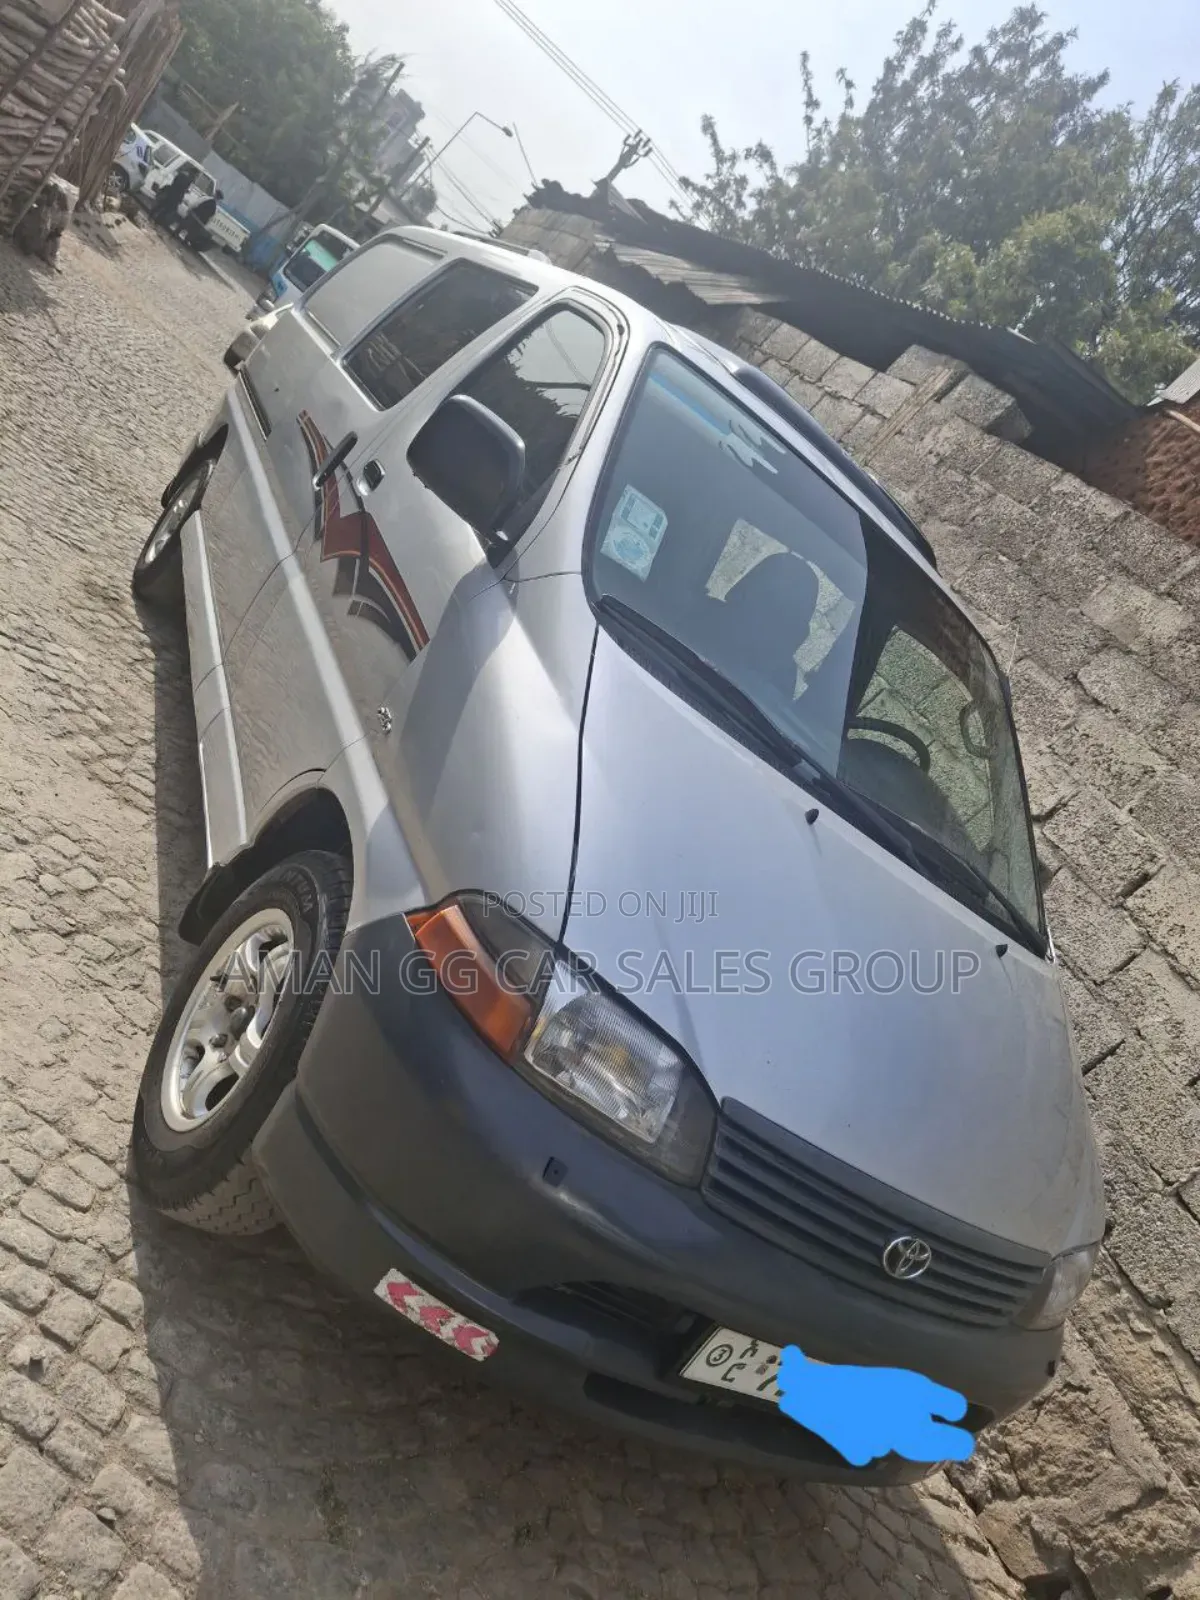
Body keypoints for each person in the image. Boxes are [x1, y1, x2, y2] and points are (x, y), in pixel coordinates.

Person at [176, 187, 222, 253]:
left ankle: (174, 235)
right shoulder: (215, 208)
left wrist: (189, 209)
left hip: (194, 215)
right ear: (218, 199)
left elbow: (196, 203)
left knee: (183, 226)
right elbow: (211, 218)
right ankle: (183, 244)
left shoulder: (206, 198)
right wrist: (205, 224)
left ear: (215, 194)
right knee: (191, 233)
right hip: (200, 222)